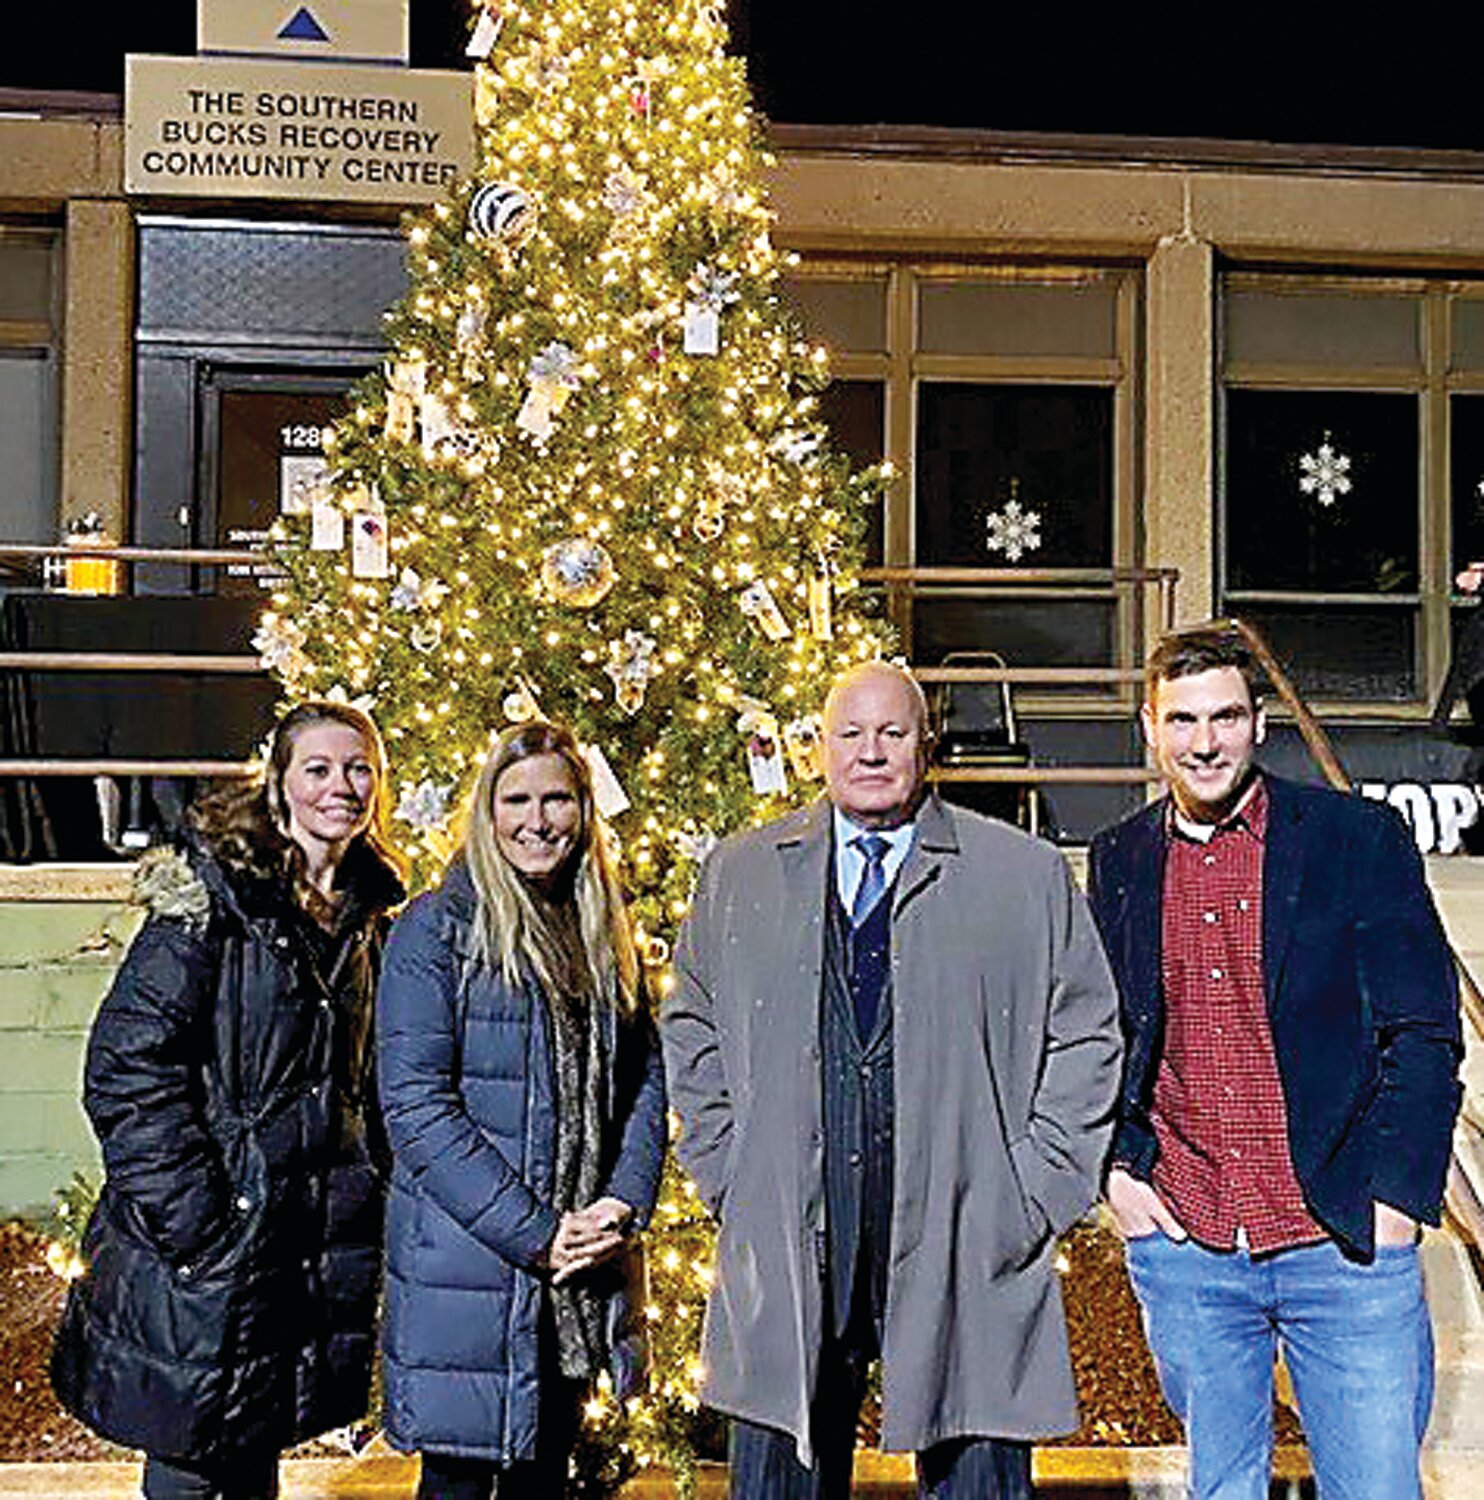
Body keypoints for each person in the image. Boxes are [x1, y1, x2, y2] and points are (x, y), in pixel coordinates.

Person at [662, 659, 1123, 1499]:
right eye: (852, 734)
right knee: (778, 1470)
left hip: (968, 1227)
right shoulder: (742, 873)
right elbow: (690, 1023)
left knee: (977, 1469)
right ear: (820, 749)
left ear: (927, 744)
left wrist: (1038, 1191)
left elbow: (1086, 1032)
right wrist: (730, 1172)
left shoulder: (1021, 874)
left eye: (893, 732)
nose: (872, 753)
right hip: (790, 1233)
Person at [1087, 623, 1464, 1500]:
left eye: (1224, 716)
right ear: (1150, 728)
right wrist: (1119, 1174)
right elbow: (1099, 1034)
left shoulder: (1355, 838)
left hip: (1342, 1241)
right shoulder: (1120, 859)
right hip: (1189, 1243)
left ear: (1259, 722)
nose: (1204, 741)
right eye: (1182, 720)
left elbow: (1424, 1031)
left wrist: (1395, 1199)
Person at [51, 701, 407, 1500]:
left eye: (359, 770)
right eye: (318, 769)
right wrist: (199, 1219)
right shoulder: (214, 900)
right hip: (211, 1247)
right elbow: (126, 1064)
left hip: (292, 1249)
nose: (340, 787)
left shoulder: (368, 919)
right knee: (188, 1463)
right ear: (279, 784)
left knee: (250, 1460)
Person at [376, 720, 666, 1499]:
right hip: (474, 1270)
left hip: (573, 1277)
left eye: (557, 799)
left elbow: (643, 1079)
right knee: (460, 1485)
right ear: (488, 811)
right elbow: (415, 1107)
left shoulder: (602, 927)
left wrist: (619, 1205)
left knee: (545, 1477)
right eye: (517, 800)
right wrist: (537, 1232)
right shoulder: (435, 929)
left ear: (584, 809)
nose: (538, 820)